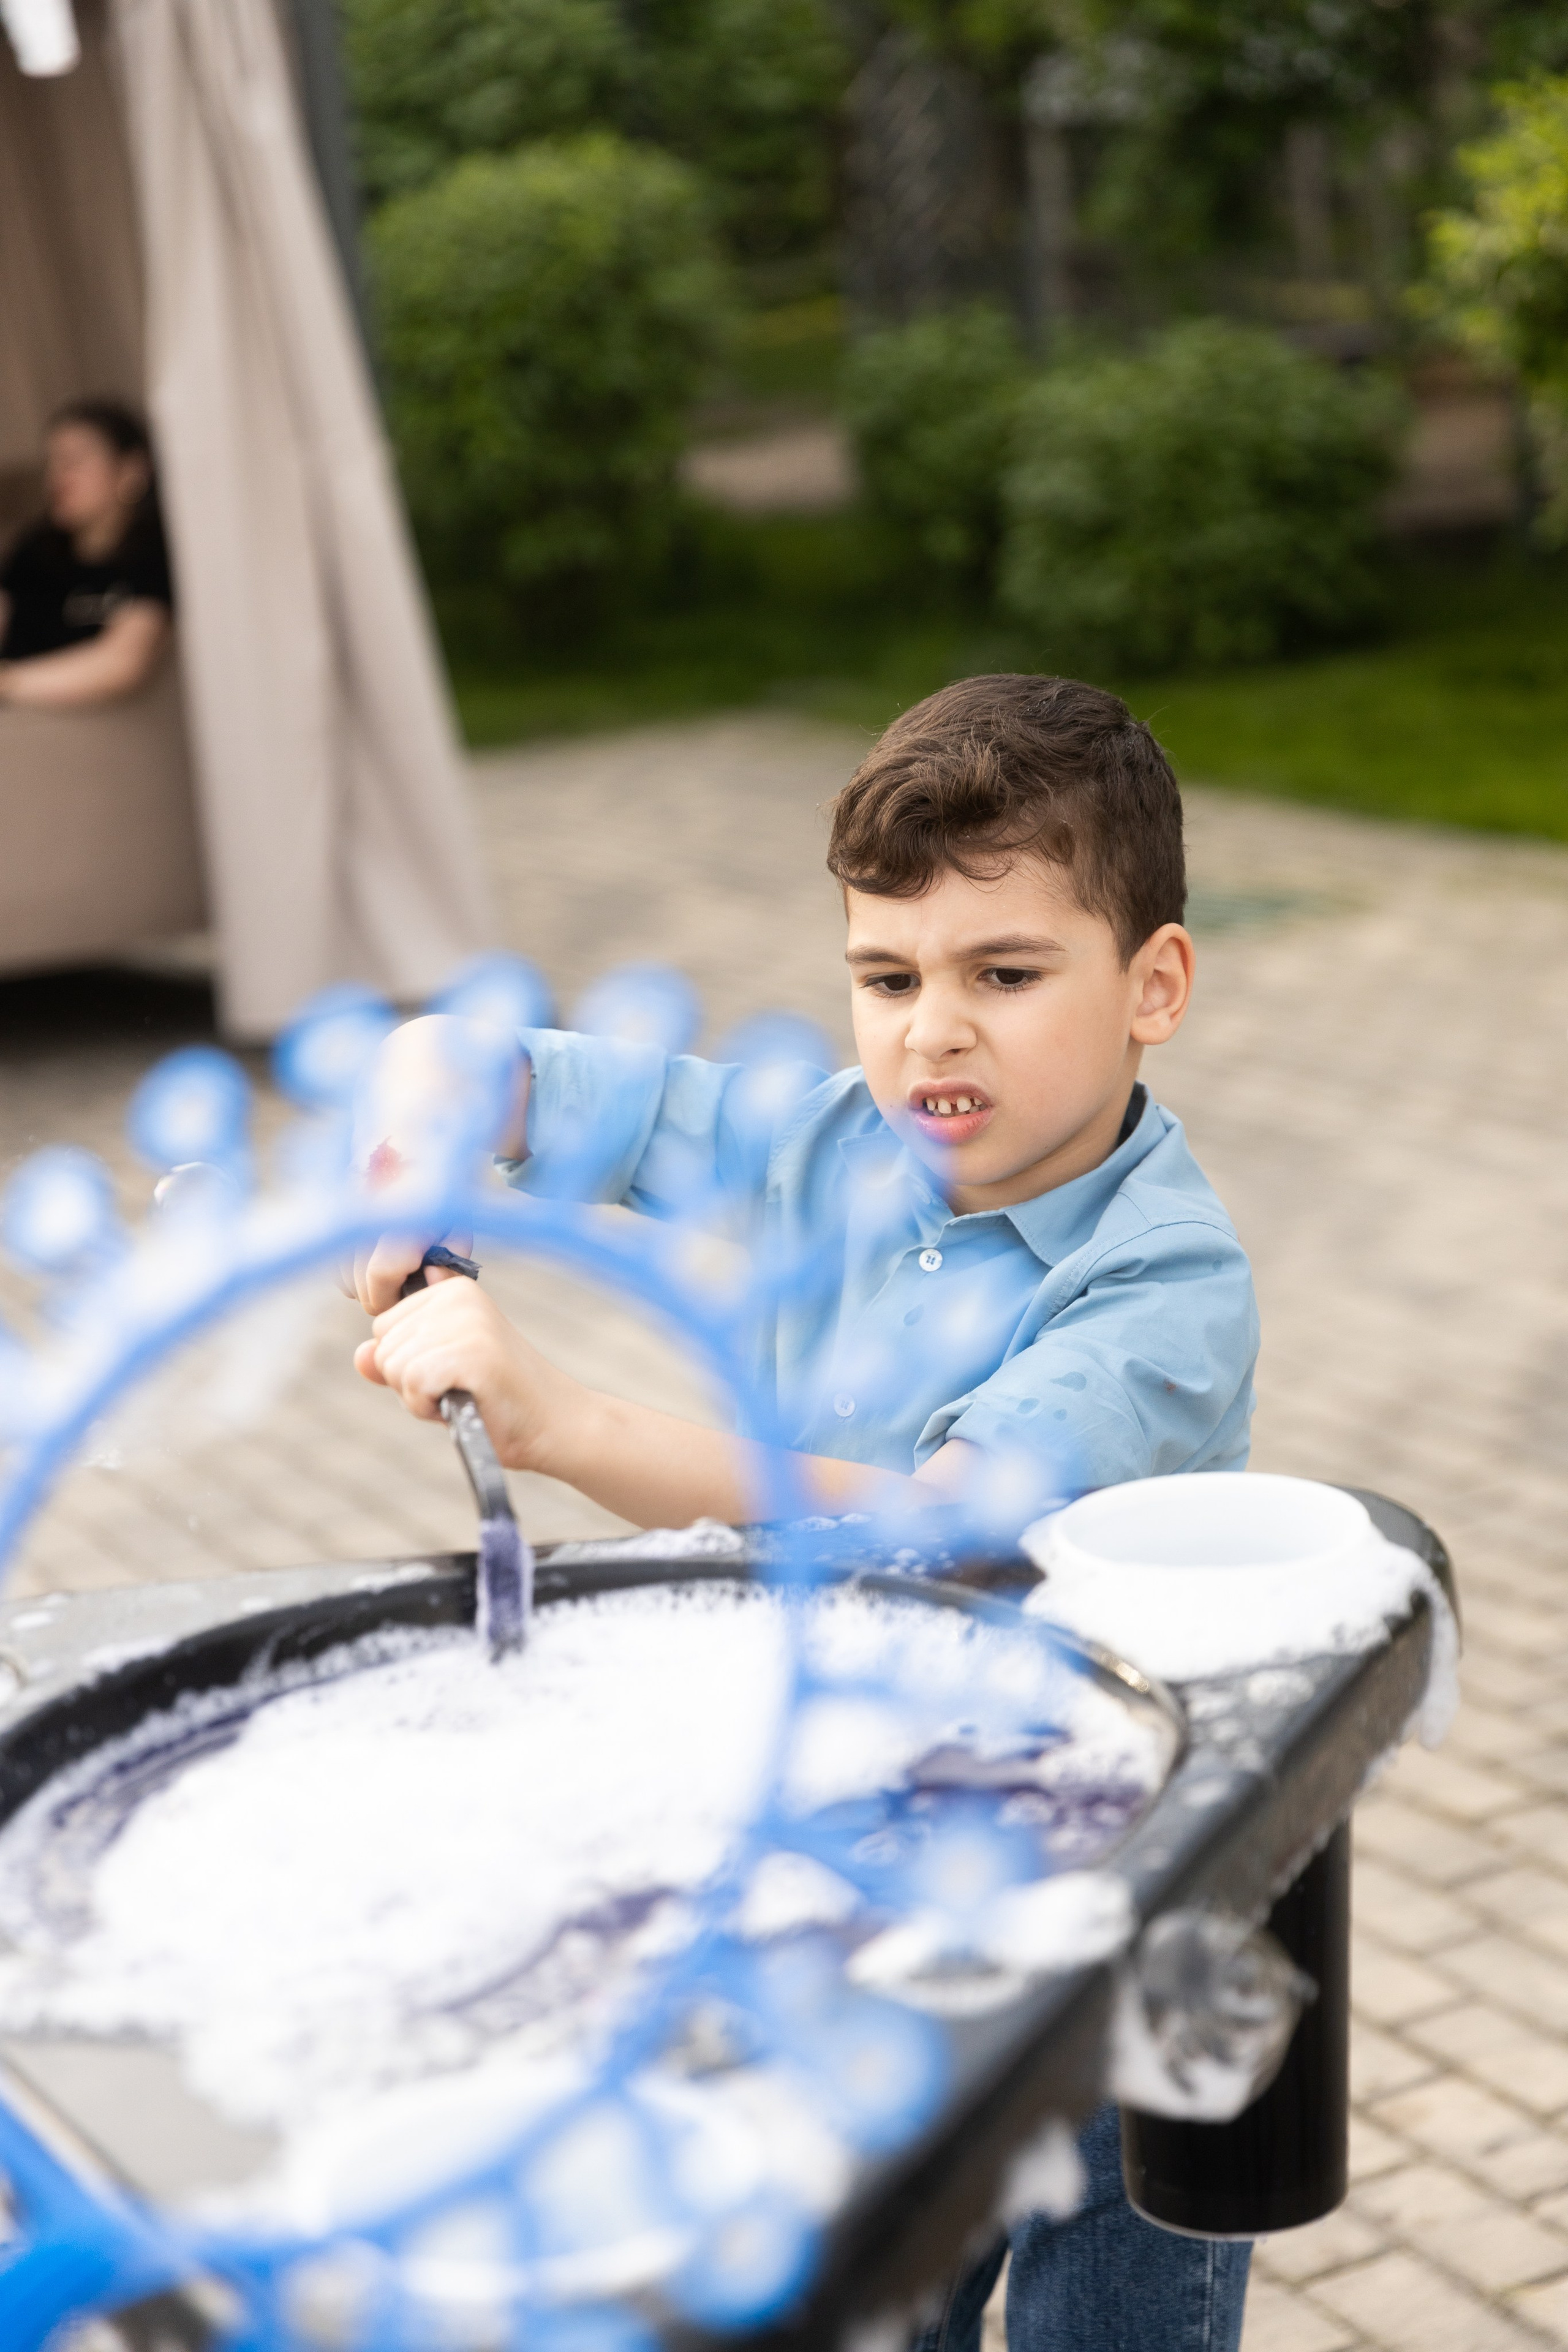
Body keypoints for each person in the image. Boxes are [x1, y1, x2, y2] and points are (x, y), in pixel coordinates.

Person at [343, 672, 1260, 2350]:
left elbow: (942, 1523)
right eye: (886, 977)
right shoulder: (827, 1147)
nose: (933, 1031)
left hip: (1125, 1909)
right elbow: (468, 1060)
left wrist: (568, 1420)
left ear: (1156, 984)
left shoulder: (1167, 1288)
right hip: (858, 1868)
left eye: (1005, 973)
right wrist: (419, 1153)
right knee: (859, 2301)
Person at [0, 398, 173, 709]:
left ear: (132, 471)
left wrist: (8, 683)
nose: (56, 479)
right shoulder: (36, 549)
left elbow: (123, 664)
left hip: (99, 725)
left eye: (73, 462)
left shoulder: (152, 555)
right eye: (52, 463)